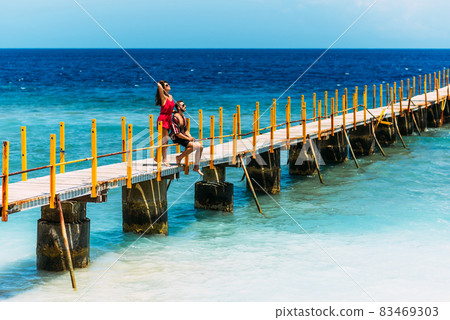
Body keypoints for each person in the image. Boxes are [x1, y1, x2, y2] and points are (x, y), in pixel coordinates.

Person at [170, 101, 204, 176]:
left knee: (200, 147)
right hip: (176, 137)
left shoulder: (183, 117)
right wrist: (188, 139)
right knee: (194, 146)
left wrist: (190, 137)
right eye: (183, 105)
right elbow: (177, 133)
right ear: (179, 107)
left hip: (183, 136)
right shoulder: (175, 118)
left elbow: (185, 130)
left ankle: (196, 167)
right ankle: (179, 158)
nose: (185, 106)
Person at [155, 80, 174, 166]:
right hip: (163, 119)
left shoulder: (170, 96)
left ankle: (156, 157)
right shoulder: (163, 97)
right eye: (167, 85)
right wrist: (160, 84)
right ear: (164, 88)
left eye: (168, 84)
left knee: (164, 140)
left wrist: (175, 111)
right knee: (165, 140)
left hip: (168, 118)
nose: (169, 85)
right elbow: (159, 87)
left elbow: (169, 107)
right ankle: (164, 160)